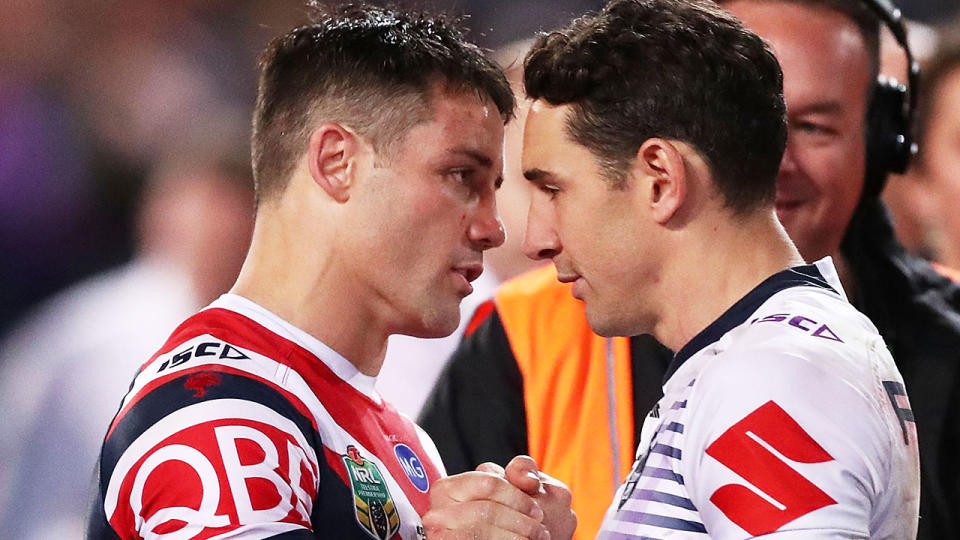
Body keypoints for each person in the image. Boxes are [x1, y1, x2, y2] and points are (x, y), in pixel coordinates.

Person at [420, 0, 960, 537]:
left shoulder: (771, 372)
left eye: (556, 190)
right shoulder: (750, 361)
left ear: (660, 179)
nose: (536, 239)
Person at [85, 5, 575, 540]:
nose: (492, 228)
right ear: (337, 161)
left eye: (494, 189)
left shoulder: (400, 440)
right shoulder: (223, 416)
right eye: (461, 176)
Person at [0, 146, 255, 540]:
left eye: (235, 215)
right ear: (158, 216)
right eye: (205, 211)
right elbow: (35, 506)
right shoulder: (82, 342)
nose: (218, 232)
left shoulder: (294, 334)